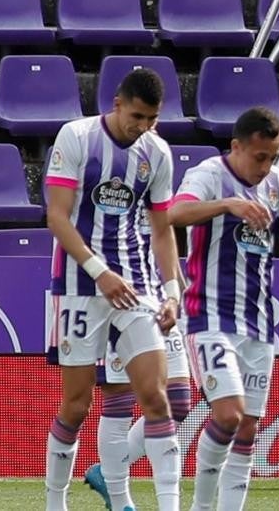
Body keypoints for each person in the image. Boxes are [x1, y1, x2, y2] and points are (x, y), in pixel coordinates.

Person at [170, 106, 279, 510]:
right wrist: (229, 205)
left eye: (273, 156)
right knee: (227, 414)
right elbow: (176, 212)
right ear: (236, 146)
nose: (266, 166)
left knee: (247, 431)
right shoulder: (210, 174)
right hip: (210, 317)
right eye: (260, 157)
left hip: (259, 323)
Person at [43, 68, 183, 511]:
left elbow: (162, 230)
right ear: (118, 103)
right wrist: (99, 270)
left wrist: (172, 289)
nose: (142, 127)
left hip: (136, 288)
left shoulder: (157, 152)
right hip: (80, 284)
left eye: (152, 119)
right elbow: (58, 218)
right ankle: (55, 503)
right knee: (77, 405)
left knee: (159, 399)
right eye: (137, 116)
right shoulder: (77, 137)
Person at [84, 198, 194, 509]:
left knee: (179, 401)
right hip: (121, 302)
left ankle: (107, 471)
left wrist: (180, 293)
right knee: (119, 399)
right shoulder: (111, 193)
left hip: (163, 304)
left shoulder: (157, 184)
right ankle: (121, 499)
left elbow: (165, 242)